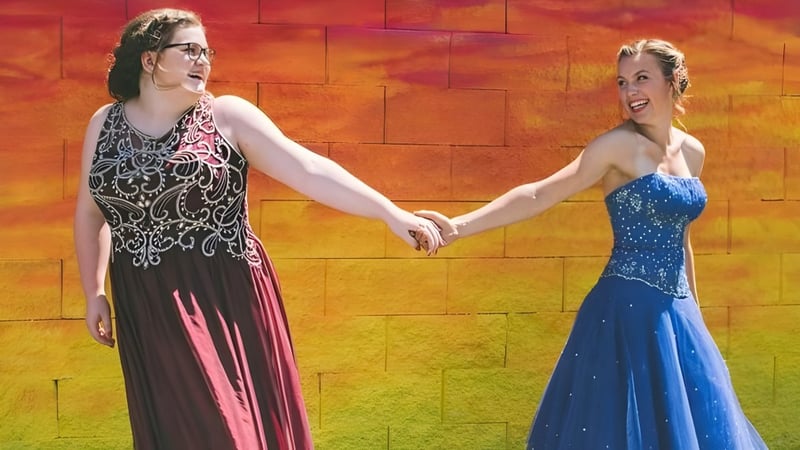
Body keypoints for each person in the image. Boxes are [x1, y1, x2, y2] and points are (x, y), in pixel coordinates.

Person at [73, 8, 442, 449]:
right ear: (150, 59)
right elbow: (91, 212)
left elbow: (307, 169)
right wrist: (94, 290)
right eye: (189, 50)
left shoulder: (227, 116)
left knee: (231, 433)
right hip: (147, 304)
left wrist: (389, 212)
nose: (202, 61)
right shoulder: (104, 124)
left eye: (206, 51)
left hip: (222, 294)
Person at [416, 39, 767, 449]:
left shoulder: (693, 152)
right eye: (622, 82)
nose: (630, 92)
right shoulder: (616, 146)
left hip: (678, 315)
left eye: (641, 79)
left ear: (673, 82)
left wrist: (696, 318)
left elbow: (682, 240)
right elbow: (539, 194)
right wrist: (457, 226)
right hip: (622, 314)